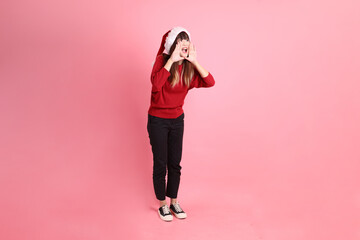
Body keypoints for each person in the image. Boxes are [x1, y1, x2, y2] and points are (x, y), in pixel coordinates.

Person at [147, 26, 215, 221]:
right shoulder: (162, 61)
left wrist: (193, 60)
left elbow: (210, 81)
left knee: (175, 164)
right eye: (180, 48)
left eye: (186, 48)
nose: (183, 52)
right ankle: (162, 205)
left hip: (177, 120)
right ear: (172, 46)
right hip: (158, 120)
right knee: (161, 163)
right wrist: (171, 59)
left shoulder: (187, 66)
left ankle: (174, 202)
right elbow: (156, 84)